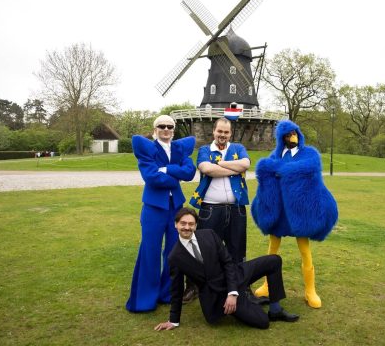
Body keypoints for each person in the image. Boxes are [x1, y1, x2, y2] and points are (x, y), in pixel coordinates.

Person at [154, 207, 299, 331]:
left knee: (274, 261)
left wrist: (233, 292)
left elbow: (228, 262)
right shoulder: (175, 257)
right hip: (218, 295)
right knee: (263, 322)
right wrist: (173, 320)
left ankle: (275, 310)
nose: (187, 227)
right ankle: (245, 300)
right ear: (175, 224)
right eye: (183, 223)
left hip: (235, 275)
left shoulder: (209, 234)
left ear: (196, 225)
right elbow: (176, 289)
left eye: (191, 224)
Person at [251, 120, 338, 309]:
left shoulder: (309, 154)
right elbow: (267, 173)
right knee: (272, 248)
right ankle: (267, 285)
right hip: (280, 210)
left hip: (299, 212)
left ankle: (310, 290)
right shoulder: (276, 155)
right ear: (281, 138)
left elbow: (311, 169)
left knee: (305, 250)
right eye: (288, 135)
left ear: (299, 134)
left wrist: (282, 171)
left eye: (294, 134)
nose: (292, 138)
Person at [125, 115, 196, 312]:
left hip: (176, 208)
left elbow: (189, 172)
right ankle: (145, 299)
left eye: (169, 126)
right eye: (161, 126)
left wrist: (167, 169)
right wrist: (175, 176)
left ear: (174, 129)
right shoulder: (148, 149)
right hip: (154, 207)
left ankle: (168, 294)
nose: (166, 129)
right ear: (155, 129)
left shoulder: (180, 149)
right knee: (150, 251)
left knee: (174, 252)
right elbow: (151, 177)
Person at [184, 117, 251, 303]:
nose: (222, 135)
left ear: (231, 133)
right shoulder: (205, 150)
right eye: (219, 131)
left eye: (226, 132)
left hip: (236, 209)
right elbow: (206, 168)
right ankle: (194, 286)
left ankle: (240, 286)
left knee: (237, 249)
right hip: (210, 209)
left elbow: (246, 164)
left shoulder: (237, 148)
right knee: (203, 249)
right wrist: (233, 168)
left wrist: (219, 164)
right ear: (213, 131)